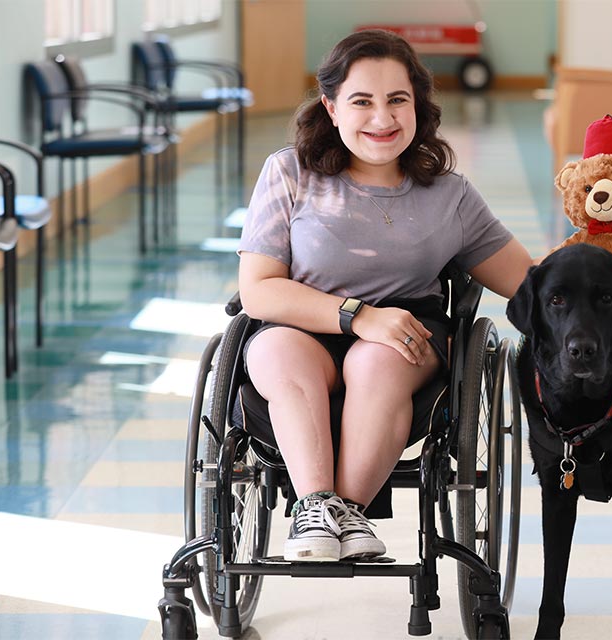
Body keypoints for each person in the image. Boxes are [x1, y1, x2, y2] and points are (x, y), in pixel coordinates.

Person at [237, 29, 534, 562]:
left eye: (398, 99)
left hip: (405, 335)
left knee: (381, 358)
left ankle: (342, 512)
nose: (383, 117)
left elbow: (529, 282)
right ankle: (317, 510)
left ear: (418, 104)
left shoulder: (450, 195)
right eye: (361, 101)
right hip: (300, 322)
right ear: (330, 107)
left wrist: (611, 264)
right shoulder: (289, 173)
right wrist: (358, 316)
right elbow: (258, 290)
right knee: (277, 352)